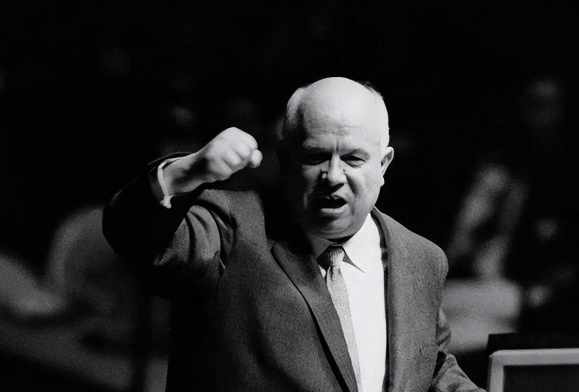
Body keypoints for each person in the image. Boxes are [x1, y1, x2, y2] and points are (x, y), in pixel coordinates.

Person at [103, 77, 485, 392]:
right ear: (285, 160)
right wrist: (185, 173)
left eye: (353, 158)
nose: (333, 176)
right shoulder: (229, 229)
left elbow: (430, 366)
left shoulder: (421, 258)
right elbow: (132, 234)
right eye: (316, 156)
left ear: (383, 164)